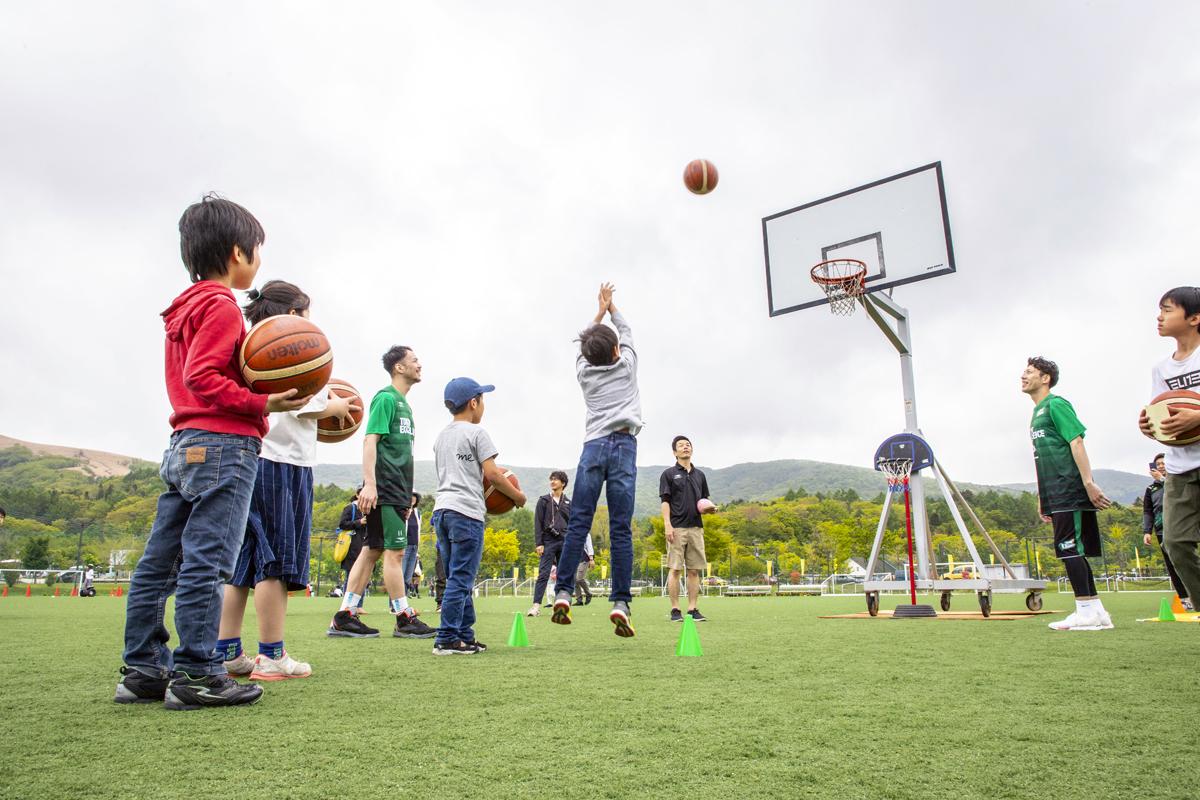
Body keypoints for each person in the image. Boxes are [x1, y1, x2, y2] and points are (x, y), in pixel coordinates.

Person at [115, 195, 310, 710]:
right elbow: (202, 377)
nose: (259, 261)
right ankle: (199, 673)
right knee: (209, 562)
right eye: (257, 250)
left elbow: (192, 377)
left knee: (160, 563)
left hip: (183, 444)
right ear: (236, 252)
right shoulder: (222, 306)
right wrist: (260, 399)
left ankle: (143, 669)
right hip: (224, 445)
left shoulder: (185, 306)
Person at [216, 281, 359, 681]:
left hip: (250, 460)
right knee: (273, 562)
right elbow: (307, 401)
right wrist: (338, 404)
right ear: (295, 314)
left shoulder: (248, 345)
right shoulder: (288, 342)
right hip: (282, 465)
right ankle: (272, 656)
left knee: (242, 563)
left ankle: (226, 652)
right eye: (307, 314)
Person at [551, 283, 644, 637]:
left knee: (578, 524)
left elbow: (586, 344)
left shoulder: (583, 372)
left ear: (587, 354)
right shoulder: (628, 366)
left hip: (592, 448)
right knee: (620, 528)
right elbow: (627, 331)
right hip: (623, 446)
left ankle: (562, 593)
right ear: (618, 351)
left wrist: (598, 313)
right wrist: (611, 308)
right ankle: (620, 602)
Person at [328, 346, 435, 639]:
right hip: (384, 489)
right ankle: (404, 616)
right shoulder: (386, 398)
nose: (419, 364)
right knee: (396, 552)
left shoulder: (405, 405)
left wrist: (408, 495)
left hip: (396, 490)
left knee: (372, 549)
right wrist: (370, 484)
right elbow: (369, 441)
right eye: (414, 360)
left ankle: (344, 615)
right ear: (399, 367)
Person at [430, 377, 526, 655]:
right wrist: (518, 497)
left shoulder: (441, 436)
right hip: (466, 513)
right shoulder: (477, 433)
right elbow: (493, 474)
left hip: (442, 511)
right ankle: (447, 638)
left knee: (455, 576)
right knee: (461, 578)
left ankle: (464, 634)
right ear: (474, 402)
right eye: (482, 399)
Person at [1021, 356, 1113, 631]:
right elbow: (1044, 457)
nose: (1023, 376)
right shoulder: (1036, 413)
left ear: (1045, 378)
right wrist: (1042, 497)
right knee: (1075, 551)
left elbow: (1077, 441)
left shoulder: (1056, 405)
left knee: (1068, 549)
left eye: (1029, 372)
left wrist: (1088, 482)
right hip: (1056, 491)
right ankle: (1097, 611)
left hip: (1070, 488)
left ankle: (1084, 611)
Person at [1139, 286, 1200, 609]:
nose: (1159, 316)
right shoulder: (1161, 369)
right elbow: (1160, 415)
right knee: (1175, 543)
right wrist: (1150, 426)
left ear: (1194, 318)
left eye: (1167, 309)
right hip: (1179, 469)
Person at [660, 435, 713, 622]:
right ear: (675, 452)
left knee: (694, 570)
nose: (685, 447)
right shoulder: (668, 474)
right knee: (675, 569)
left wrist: (709, 510)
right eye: (681, 445)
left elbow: (703, 502)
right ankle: (675, 610)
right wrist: (668, 525)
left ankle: (692, 609)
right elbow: (665, 501)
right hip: (676, 528)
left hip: (696, 528)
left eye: (688, 445)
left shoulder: (700, 475)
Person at [1142, 454, 1192, 608]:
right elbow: (1148, 511)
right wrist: (1147, 531)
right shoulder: (1151, 489)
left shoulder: (1180, 481)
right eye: (1158, 464)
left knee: (1187, 560)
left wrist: (1163, 480)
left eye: (1164, 463)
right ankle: (1185, 599)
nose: (1161, 466)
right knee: (1171, 564)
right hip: (1162, 529)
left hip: (1183, 526)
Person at [528, 471, 571, 616]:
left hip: (564, 542)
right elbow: (538, 523)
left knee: (563, 574)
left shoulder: (568, 503)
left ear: (563, 483)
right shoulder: (544, 501)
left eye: (556, 480)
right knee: (544, 574)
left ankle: (561, 605)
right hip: (548, 542)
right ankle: (535, 606)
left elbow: (572, 524)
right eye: (551, 479)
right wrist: (539, 543)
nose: (552, 482)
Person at [338, 487, 369, 599]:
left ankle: (358, 604)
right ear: (357, 494)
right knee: (351, 576)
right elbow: (342, 524)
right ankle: (347, 604)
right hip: (351, 547)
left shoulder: (369, 509)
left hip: (365, 546)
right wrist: (359, 522)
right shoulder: (350, 508)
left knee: (364, 575)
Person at [402, 492, 423, 594]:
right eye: (410, 496)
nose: (413, 498)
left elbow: (418, 531)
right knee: (400, 575)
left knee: (408, 577)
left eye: (414, 496)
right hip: (404, 546)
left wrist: (418, 549)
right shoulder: (401, 511)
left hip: (414, 547)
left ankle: (404, 603)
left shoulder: (417, 513)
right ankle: (394, 605)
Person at [573, 533, 594, 606]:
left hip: (584, 558)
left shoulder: (586, 533)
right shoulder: (572, 532)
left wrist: (591, 559)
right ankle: (579, 600)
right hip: (575, 559)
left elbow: (589, 546)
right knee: (575, 580)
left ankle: (588, 593)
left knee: (579, 579)